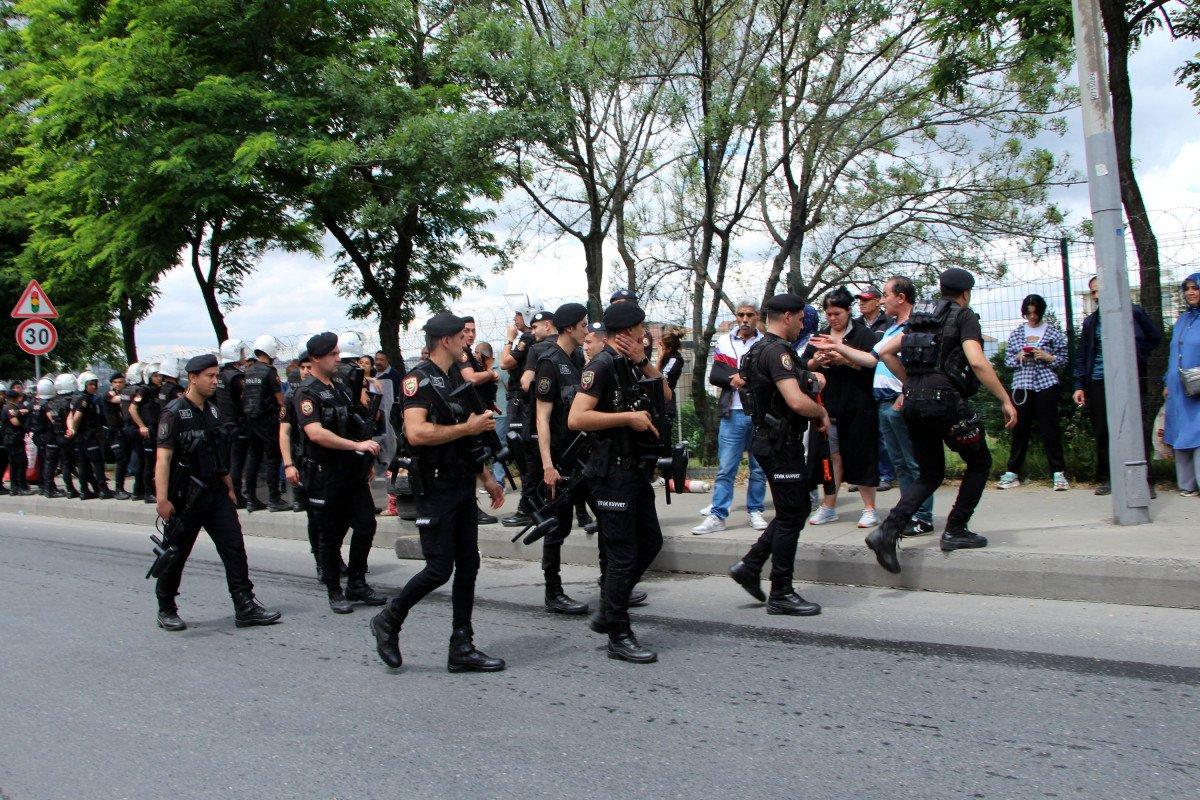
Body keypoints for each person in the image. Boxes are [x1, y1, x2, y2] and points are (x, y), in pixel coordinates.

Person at [370, 313, 506, 673]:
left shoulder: (451, 379)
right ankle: (389, 619)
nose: (467, 342)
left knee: (469, 565)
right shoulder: (418, 380)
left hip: (461, 482)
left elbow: (467, 438)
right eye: (462, 337)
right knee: (438, 569)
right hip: (435, 485)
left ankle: (461, 646)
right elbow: (416, 433)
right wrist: (468, 427)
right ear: (445, 341)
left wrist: (487, 478)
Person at [867, 267, 1018, 573]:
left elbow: (885, 352)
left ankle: (887, 531)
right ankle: (956, 530)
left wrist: (911, 382)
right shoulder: (964, 316)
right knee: (980, 461)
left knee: (931, 473)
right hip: (944, 403)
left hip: (913, 402)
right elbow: (976, 361)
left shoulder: (924, 316)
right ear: (966, 293)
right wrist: (1005, 398)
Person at [569, 301, 669, 664]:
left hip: (633, 471)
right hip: (610, 473)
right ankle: (618, 634)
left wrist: (643, 359)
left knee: (651, 542)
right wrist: (628, 418)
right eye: (641, 328)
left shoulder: (631, 361)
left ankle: (610, 608)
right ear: (628, 332)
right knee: (622, 555)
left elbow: (666, 396)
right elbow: (576, 418)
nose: (645, 333)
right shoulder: (601, 365)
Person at [152, 354, 282, 632]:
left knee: (234, 548)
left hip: (215, 493)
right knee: (176, 553)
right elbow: (163, 459)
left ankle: (245, 605)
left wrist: (230, 488)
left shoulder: (212, 411)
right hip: (185, 498)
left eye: (215, 375)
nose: (215, 381)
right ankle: (166, 607)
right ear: (193, 378)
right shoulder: (173, 412)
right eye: (209, 376)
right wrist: (162, 500)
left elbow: (218, 453)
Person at [728, 293, 831, 614]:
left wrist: (810, 372)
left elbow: (778, 383)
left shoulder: (761, 348)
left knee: (795, 510)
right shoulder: (777, 351)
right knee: (791, 515)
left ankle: (750, 565)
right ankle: (781, 592)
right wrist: (820, 413)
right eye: (800, 318)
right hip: (780, 441)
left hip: (771, 439)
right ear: (787, 317)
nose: (802, 324)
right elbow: (795, 400)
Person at [293, 332, 387, 613]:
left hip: (351, 472)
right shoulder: (306, 393)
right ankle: (334, 589)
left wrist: (365, 456)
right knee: (330, 534)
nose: (338, 358)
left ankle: (356, 582)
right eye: (333, 354)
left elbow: (356, 423)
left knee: (366, 524)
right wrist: (355, 445)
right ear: (316, 359)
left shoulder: (341, 387)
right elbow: (316, 433)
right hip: (326, 475)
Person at [1072, 274, 1163, 496]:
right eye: (1092, 292)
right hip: (1098, 380)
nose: (1096, 295)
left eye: (1099, 290)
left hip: (1128, 379)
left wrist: (1133, 356)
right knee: (1103, 430)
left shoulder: (1133, 312)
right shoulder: (1091, 322)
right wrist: (1079, 385)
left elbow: (1154, 338)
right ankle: (1109, 478)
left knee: (1135, 428)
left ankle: (1144, 480)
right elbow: (1083, 355)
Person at [532, 302, 593, 616]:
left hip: (585, 456)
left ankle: (613, 584)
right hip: (560, 458)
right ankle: (552, 592)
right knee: (558, 528)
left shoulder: (579, 358)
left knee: (607, 520)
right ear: (570, 328)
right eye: (583, 324)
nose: (587, 329)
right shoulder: (549, 363)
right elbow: (542, 417)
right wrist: (547, 465)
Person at [803, 288, 881, 528]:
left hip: (859, 404)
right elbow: (806, 363)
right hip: (829, 405)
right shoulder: (820, 335)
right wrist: (818, 361)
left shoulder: (864, 335)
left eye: (837, 313)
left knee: (861, 454)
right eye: (828, 314)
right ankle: (829, 506)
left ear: (848, 311)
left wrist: (844, 360)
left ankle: (869, 508)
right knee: (830, 456)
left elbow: (871, 363)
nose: (832, 318)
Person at [693, 300, 768, 535]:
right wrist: (734, 378)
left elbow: (769, 376)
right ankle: (718, 514)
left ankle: (755, 509)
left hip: (758, 413)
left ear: (758, 317)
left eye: (750, 315)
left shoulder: (765, 343)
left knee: (758, 467)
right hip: (732, 412)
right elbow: (716, 374)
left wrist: (739, 375)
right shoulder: (724, 341)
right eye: (740, 314)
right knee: (726, 468)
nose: (744, 319)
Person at [997, 294, 1070, 491]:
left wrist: (1047, 357)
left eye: (1035, 313)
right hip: (1022, 384)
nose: (1032, 317)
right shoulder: (1017, 333)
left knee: (1050, 428)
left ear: (1040, 311)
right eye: (1028, 313)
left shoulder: (1052, 332)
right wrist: (1020, 356)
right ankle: (1012, 472)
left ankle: (1058, 472)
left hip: (1046, 383)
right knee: (1020, 428)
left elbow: (1063, 360)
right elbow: (1008, 362)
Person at [280, 351, 323, 576]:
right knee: (314, 516)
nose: (306, 371)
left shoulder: (324, 391)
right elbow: (284, 432)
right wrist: (288, 464)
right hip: (303, 461)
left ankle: (332, 557)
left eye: (309, 367)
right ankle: (320, 559)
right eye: (303, 367)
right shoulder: (293, 395)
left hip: (326, 463)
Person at [458, 316, 502, 525]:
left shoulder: (469, 354)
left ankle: (470, 506)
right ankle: (470, 507)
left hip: (477, 411)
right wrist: (490, 374)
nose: (471, 334)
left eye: (473, 330)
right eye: (466, 330)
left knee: (477, 457)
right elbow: (470, 379)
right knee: (472, 459)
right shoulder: (462, 354)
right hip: (467, 416)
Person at [241, 335, 289, 512]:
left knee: (253, 458)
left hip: (250, 420)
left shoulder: (248, 371)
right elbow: (279, 398)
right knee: (272, 458)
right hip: (267, 420)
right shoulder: (270, 371)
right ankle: (274, 499)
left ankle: (251, 499)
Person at [1163, 273, 1200, 496]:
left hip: (1198, 387)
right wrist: (1167, 382)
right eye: (1187, 289)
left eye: (1195, 288)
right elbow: (1172, 353)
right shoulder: (1183, 320)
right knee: (1181, 433)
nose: (1190, 293)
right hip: (1179, 388)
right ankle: (1187, 485)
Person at [855, 285, 894, 491]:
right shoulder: (854, 324)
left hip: (881, 382)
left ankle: (886, 474)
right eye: (860, 299)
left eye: (866, 299)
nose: (861, 302)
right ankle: (863, 477)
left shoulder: (889, 323)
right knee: (861, 432)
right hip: (859, 382)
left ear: (878, 300)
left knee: (881, 431)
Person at [215, 339, 249, 507]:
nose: (244, 355)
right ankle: (236, 494)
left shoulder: (219, 375)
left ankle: (227, 492)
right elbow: (244, 401)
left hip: (223, 424)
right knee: (237, 462)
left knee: (227, 461)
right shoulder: (236, 377)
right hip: (237, 424)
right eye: (242, 352)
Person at [68, 371, 113, 499]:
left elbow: (70, 416)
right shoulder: (85, 399)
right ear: (84, 385)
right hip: (89, 436)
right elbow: (76, 417)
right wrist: (74, 429)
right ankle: (103, 490)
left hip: (82, 438)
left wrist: (72, 430)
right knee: (97, 463)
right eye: (91, 384)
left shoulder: (78, 398)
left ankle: (84, 490)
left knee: (83, 465)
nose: (94, 386)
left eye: (95, 384)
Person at [130, 363, 164, 504]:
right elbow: (132, 409)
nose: (159, 378)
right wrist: (142, 426)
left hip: (157, 428)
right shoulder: (144, 391)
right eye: (155, 375)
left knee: (153, 461)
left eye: (160, 375)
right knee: (148, 462)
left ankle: (141, 490)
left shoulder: (159, 391)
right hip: (148, 429)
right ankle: (147, 492)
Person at [43, 374, 79, 498]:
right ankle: (73, 489)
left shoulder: (53, 403)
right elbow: (71, 417)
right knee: (70, 463)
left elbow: (53, 419)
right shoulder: (71, 400)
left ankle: (69, 489)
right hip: (69, 435)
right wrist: (71, 429)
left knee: (64, 463)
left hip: (58, 435)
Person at [1, 384, 33, 495]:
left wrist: (20, 412)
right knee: (21, 463)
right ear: (15, 398)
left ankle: (14, 488)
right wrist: (23, 424)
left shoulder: (7, 407)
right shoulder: (10, 407)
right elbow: (15, 422)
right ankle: (21, 487)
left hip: (10, 439)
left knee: (14, 463)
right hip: (14, 439)